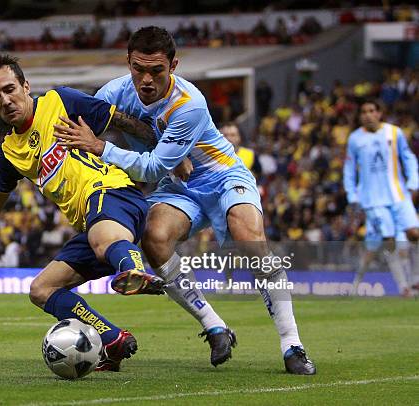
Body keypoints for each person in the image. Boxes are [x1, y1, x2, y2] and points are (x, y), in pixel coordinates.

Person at [53, 26, 316, 375]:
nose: (146, 79)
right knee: (155, 238)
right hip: (177, 188)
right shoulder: (114, 93)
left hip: (222, 176)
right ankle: (214, 326)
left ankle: (292, 345)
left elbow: (151, 167)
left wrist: (102, 146)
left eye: (156, 71)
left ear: (173, 65)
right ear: (128, 63)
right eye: (138, 69)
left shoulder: (188, 103)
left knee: (250, 241)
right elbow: (66, 128)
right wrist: (11, 154)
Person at [0, 54, 166, 372]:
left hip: (113, 193)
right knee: (41, 289)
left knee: (104, 239)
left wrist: (165, 145)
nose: (5, 100)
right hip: (93, 221)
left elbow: (119, 121)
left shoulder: (59, 101)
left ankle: (134, 270)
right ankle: (112, 340)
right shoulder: (8, 152)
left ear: (25, 86)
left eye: (9, 89)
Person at [344, 99, 418, 297]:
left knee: (414, 234)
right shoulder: (355, 139)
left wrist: (414, 182)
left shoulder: (394, 132)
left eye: (371, 111)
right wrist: (352, 194)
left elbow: (408, 157)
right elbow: (349, 169)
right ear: (360, 116)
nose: (368, 115)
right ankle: (404, 287)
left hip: (399, 194)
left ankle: (415, 280)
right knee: (388, 240)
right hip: (372, 200)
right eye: (364, 112)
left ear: (379, 113)